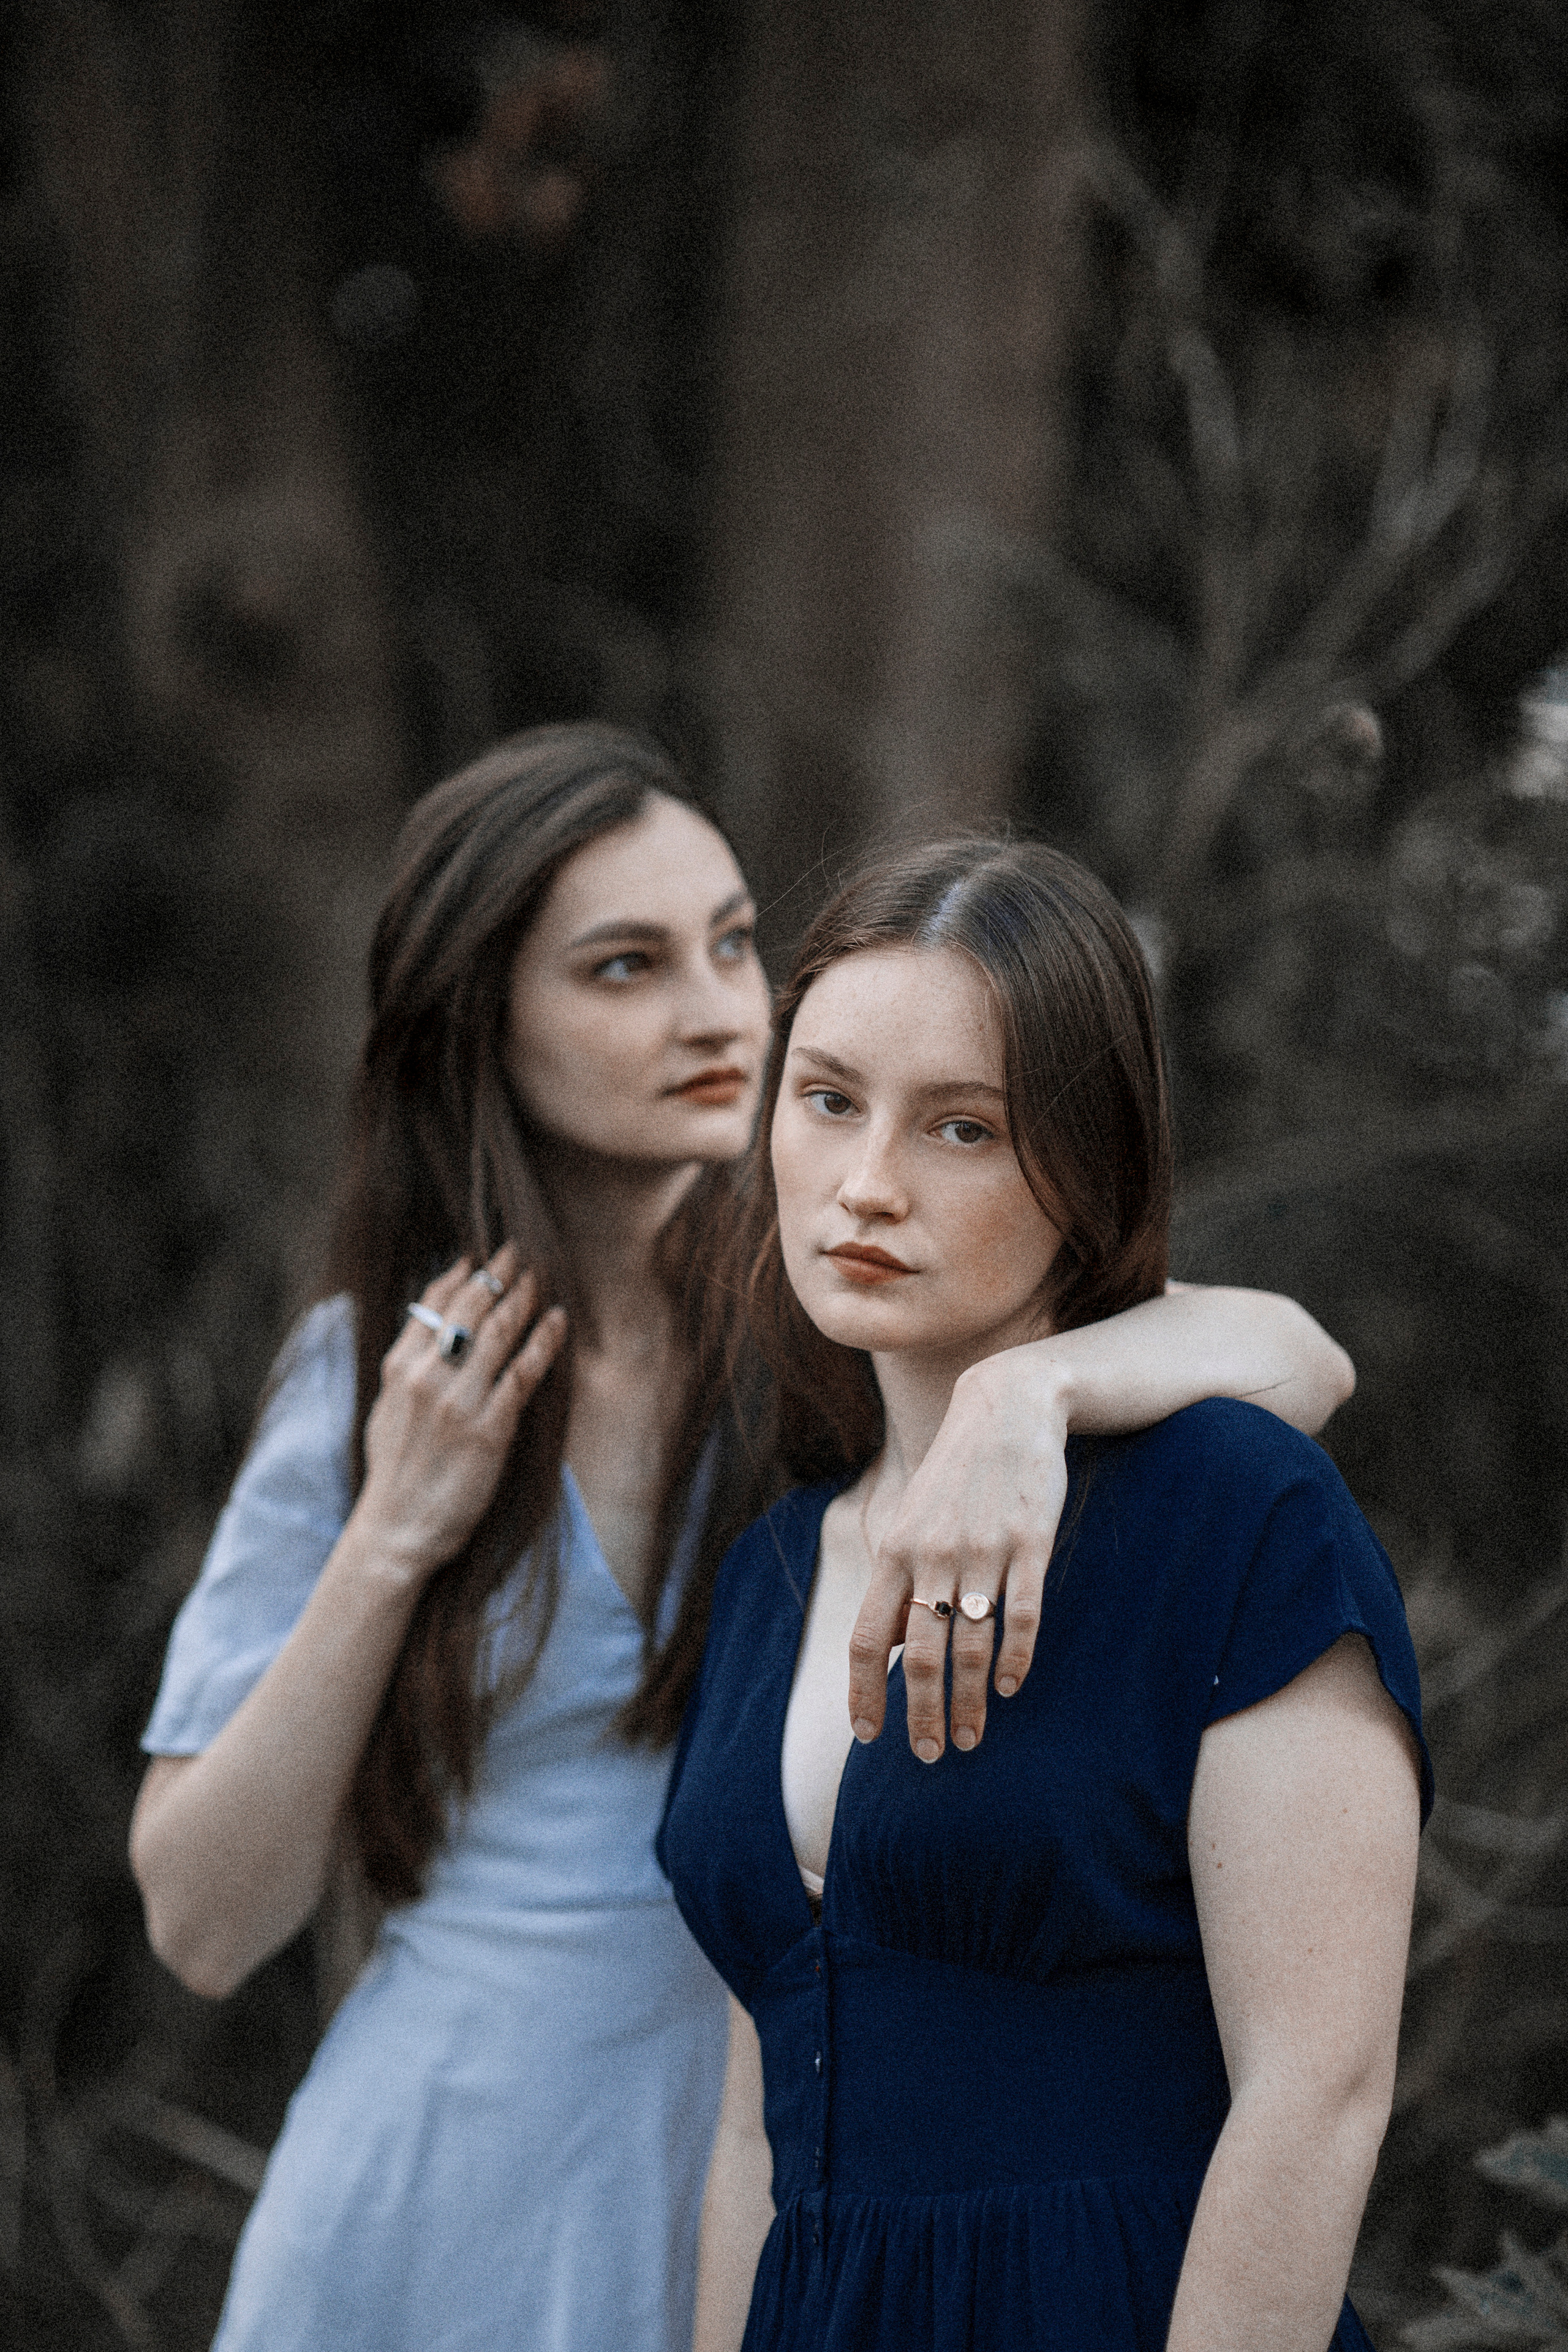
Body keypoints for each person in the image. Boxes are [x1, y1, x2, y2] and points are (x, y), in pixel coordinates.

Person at [130, 729, 1359, 2352]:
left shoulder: (824, 1334)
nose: (712, 1009)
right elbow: (204, 1920)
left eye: (730, 945)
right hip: (465, 2155)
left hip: (780, 2151)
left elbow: (1297, 1362)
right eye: (625, 967)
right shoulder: (383, 1375)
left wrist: (1033, 1398)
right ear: (478, 1023)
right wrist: (394, 1535)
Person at [660, 834, 1430, 2352]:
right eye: (826, 1102)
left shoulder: (1231, 1513)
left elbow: (1315, 2096)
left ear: (1088, 1168)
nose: (865, 1185)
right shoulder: (770, 1571)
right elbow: (754, 2133)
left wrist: (1031, 1395)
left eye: (962, 1130)